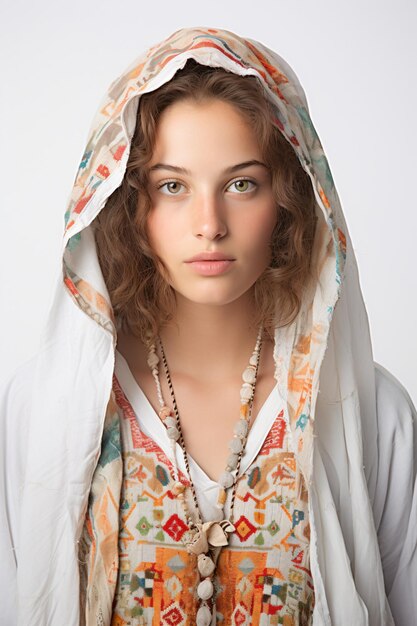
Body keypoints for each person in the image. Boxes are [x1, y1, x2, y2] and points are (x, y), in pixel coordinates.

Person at [0, 26, 416, 626]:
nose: (209, 223)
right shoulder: (44, 408)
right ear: (126, 206)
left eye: (242, 184)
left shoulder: (375, 416)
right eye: (172, 187)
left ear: (292, 198)